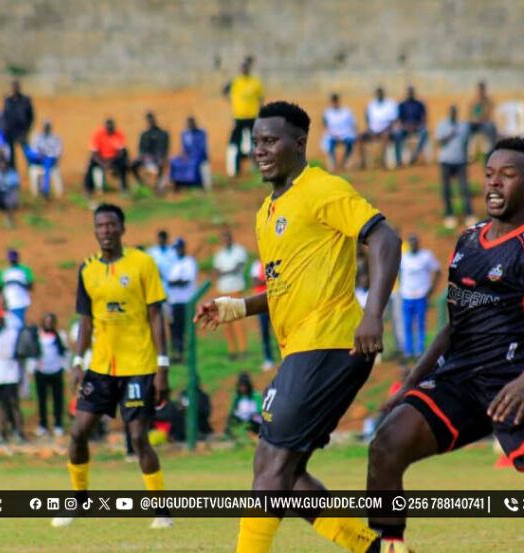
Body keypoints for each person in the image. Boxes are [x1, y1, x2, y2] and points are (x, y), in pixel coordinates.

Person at [194, 101, 402, 553]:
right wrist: (234, 309)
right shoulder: (268, 211)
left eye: (270, 141)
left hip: (331, 344)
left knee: (271, 469)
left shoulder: (322, 188)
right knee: (281, 471)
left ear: (300, 143)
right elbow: (286, 288)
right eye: (255, 143)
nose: (260, 151)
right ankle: (374, 548)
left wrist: (373, 314)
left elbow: (385, 238)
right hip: (304, 347)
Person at [367, 137, 524, 553]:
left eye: (507, 175)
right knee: (386, 445)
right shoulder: (467, 242)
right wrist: (411, 384)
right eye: (488, 175)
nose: (494, 184)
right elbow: (453, 328)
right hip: (461, 380)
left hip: (517, 380)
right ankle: (391, 544)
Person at [52, 203, 173, 530]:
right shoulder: (87, 269)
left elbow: (156, 316)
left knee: (138, 437)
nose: (106, 230)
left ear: (122, 228)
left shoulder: (142, 263)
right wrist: (79, 361)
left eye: (111, 225)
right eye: (100, 226)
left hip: (139, 365)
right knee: (78, 434)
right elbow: (86, 321)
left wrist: (163, 366)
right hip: (101, 367)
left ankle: (161, 510)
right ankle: (79, 503)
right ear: (94, 231)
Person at [398, 234, 440, 362]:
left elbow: (437, 271)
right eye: (411, 242)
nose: (413, 244)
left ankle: (419, 349)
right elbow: (399, 273)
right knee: (407, 323)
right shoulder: (403, 258)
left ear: (418, 243)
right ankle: (408, 350)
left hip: (421, 294)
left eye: (415, 242)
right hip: (407, 295)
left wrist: (431, 289)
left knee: (421, 323)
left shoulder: (426, 256)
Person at [0, 310, 25, 443]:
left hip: (12, 372)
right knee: (2, 405)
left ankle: (19, 431)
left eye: (0, 319)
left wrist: (21, 374)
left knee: (14, 403)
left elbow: (19, 353)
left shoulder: (13, 334)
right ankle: (3, 433)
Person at [223, 57, 264, 177]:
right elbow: (224, 91)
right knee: (235, 143)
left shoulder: (255, 82)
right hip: (239, 118)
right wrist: (233, 102)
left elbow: (261, 98)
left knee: (254, 143)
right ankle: (235, 169)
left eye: (246, 67)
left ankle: (256, 167)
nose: (244, 69)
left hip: (252, 118)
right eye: (242, 67)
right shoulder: (235, 82)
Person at [213, 229, 249, 361]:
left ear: (231, 238)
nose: (226, 240)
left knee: (238, 321)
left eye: (227, 238)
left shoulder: (239, 251)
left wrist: (224, 273)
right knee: (227, 323)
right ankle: (232, 351)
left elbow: (238, 268)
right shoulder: (219, 254)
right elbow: (216, 271)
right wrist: (228, 272)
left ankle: (244, 349)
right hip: (223, 291)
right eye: (224, 238)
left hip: (235, 289)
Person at [435, 105, 473, 228]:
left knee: (464, 188)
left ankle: (469, 214)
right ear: (448, 113)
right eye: (451, 112)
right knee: (447, 189)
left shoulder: (463, 126)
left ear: (456, 113)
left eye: (454, 112)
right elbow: (438, 142)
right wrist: (450, 134)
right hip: (446, 161)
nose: (453, 114)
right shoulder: (442, 125)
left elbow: (466, 142)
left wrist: (467, 156)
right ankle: (449, 214)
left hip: (460, 161)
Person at [166, 238, 198, 362]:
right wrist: (175, 282)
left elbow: (185, 281)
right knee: (175, 330)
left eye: (179, 247)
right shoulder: (174, 264)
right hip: (174, 301)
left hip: (186, 301)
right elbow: (172, 281)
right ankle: (178, 355)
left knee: (186, 330)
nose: (178, 250)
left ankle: (188, 355)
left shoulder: (189, 262)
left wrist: (174, 282)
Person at [35, 313, 67, 438]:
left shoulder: (60, 336)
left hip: (56, 370)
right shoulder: (38, 336)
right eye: (46, 321)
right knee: (42, 400)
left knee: (57, 399)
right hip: (41, 372)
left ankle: (58, 424)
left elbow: (65, 353)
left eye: (50, 322)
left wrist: (65, 367)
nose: (48, 324)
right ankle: (43, 425)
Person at [85, 118, 129, 193]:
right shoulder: (98, 134)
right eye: (108, 128)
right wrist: (103, 163)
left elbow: (121, 151)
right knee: (90, 166)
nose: (110, 130)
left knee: (123, 163)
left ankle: (124, 187)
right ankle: (88, 189)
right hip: (100, 158)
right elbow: (94, 153)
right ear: (105, 127)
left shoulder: (118, 134)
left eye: (112, 128)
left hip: (113, 158)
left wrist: (112, 162)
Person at [359, 87, 399, 169]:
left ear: (384, 94)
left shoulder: (390, 104)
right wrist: (370, 130)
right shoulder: (371, 105)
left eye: (381, 93)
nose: (379, 95)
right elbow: (368, 119)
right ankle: (362, 162)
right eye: (378, 93)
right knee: (360, 137)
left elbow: (393, 121)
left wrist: (385, 129)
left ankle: (383, 160)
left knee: (385, 136)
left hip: (386, 129)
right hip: (373, 129)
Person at [130, 112, 170, 191]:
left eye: (152, 120)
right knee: (133, 163)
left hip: (158, 158)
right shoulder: (144, 134)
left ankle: (159, 184)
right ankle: (140, 183)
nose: (150, 122)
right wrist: (143, 157)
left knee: (161, 163)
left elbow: (165, 149)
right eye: (148, 121)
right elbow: (141, 149)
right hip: (147, 158)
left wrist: (161, 157)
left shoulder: (162, 133)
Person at [248, 258, 275, 371]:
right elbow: (255, 282)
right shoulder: (257, 264)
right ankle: (268, 358)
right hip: (261, 303)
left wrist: (262, 281)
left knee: (279, 331)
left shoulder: (272, 261)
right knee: (265, 332)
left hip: (274, 301)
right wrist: (268, 280)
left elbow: (258, 281)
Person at [169, 116, 209, 189]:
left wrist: (192, 156)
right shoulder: (185, 133)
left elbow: (202, 148)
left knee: (193, 163)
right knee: (175, 161)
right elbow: (183, 148)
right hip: (187, 156)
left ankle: (193, 183)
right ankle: (179, 182)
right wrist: (184, 155)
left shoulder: (201, 133)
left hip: (198, 156)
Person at [2, 78, 34, 168]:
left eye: (16, 85)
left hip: (22, 131)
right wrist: (6, 128)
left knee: (27, 152)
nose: (15, 87)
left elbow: (31, 115)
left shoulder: (25, 100)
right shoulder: (8, 100)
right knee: (11, 155)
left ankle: (31, 168)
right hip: (10, 131)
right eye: (13, 86)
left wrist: (27, 128)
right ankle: (13, 173)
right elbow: (4, 115)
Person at [321, 93, 358, 171]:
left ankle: (345, 161)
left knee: (349, 143)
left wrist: (353, 133)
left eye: (336, 100)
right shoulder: (327, 112)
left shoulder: (346, 111)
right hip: (332, 136)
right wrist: (332, 134)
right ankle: (333, 163)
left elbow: (353, 124)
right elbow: (325, 126)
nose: (335, 102)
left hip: (345, 135)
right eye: (333, 101)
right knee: (330, 143)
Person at [393, 86, 428, 166]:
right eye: (408, 92)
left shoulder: (419, 104)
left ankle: (415, 155)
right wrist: (405, 126)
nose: (410, 94)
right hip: (405, 127)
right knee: (397, 134)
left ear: (414, 93)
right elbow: (399, 119)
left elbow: (424, 118)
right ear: (406, 94)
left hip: (417, 126)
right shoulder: (401, 105)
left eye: (411, 92)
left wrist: (416, 126)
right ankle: (399, 160)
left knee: (424, 133)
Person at [28, 120, 63, 198]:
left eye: (47, 126)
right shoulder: (37, 137)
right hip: (39, 158)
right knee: (28, 152)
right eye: (45, 126)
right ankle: (41, 187)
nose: (46, 128)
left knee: (47, 164)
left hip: (50, 160)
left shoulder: (55, 138)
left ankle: (45, 189)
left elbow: (58, 151)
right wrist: (39, 154)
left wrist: (48, 154)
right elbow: (34, 148)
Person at [225, 372, 262, 438]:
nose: (242, 388)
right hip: (241, 420)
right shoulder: (237, 397)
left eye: (244, 386)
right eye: (241, 386)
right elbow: (232, 411)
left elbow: (260, 409)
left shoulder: (255, 395)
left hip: (252, 419)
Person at [468, 81, 497, 150]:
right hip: (474, 124)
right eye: (479, 89)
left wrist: (481, 119)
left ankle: (492, 149)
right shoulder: (474, 101)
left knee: (491, 127)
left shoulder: (488, 101)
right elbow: (469, 115)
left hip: (484, 123)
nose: (480, 91)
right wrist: (474, 120)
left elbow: (488, 115)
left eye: (482, 89)